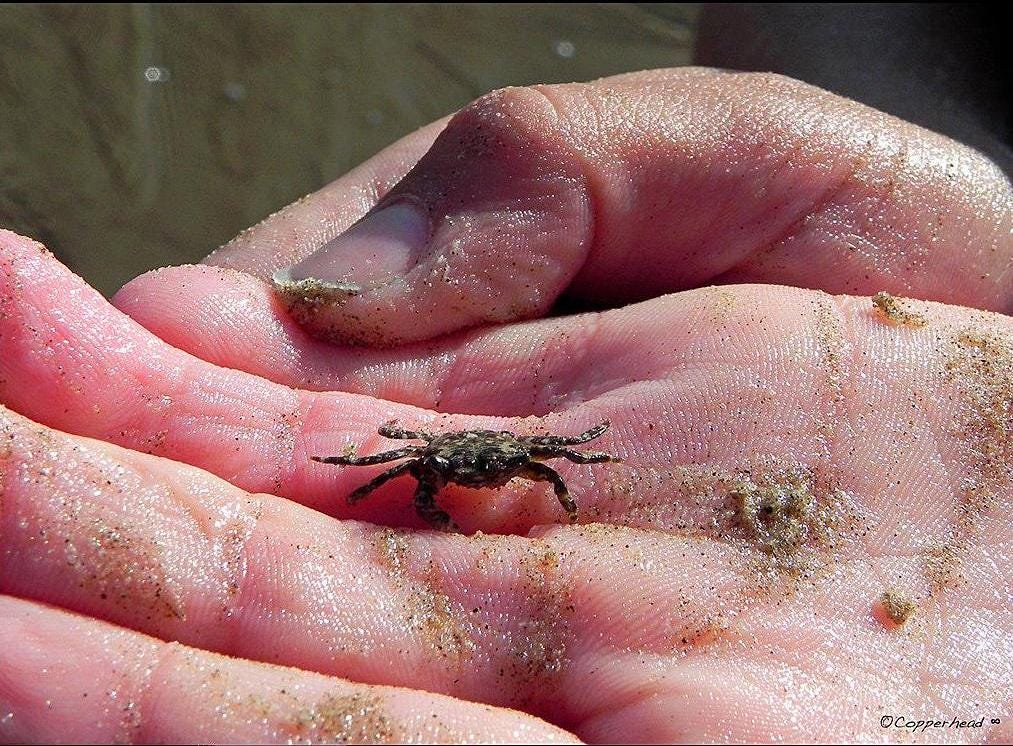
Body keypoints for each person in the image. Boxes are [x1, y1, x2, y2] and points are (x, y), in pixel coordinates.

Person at [0, 67, 1009, 743]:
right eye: (461, 474)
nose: (477, 477)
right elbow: (399, 456)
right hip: (449, 440)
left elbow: (557, 452)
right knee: (384, 459)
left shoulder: (522, 456)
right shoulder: (434, 458)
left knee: (546, 456)